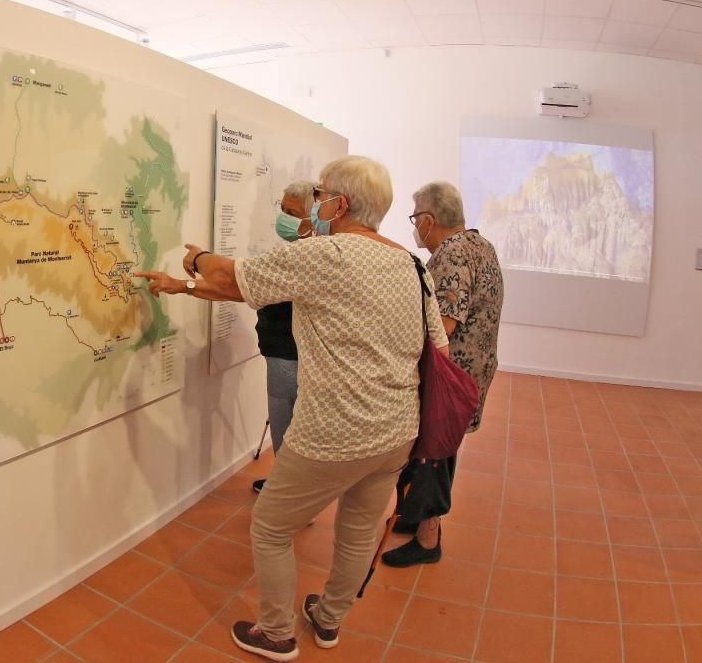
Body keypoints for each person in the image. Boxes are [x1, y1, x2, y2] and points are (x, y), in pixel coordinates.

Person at [136, 156, 448, 662]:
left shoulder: (327, 255)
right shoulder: (413, 266)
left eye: (321, 193)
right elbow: (440, 348)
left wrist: (195, 261)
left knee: (271, 526)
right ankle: (327, 620)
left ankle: (277, 633)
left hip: (335, 430)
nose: (313, 201)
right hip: (397, 431)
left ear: (340, 204)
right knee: (356, 531)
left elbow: (233, 277)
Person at [382, 181, 504, 568]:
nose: (414, 224)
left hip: (448, 378)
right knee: (437, 449)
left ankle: (428, 537)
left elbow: (444, 325)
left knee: (434, 452)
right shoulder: (480, 244)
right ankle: (415, 515)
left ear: (429, 219)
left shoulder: (451, 256)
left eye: (415, 217)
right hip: (472, 373)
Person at [252, 181, 314, 494]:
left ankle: (288, 494)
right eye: (283, 211)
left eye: (292, 213)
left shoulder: (311, 256)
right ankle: (290, 487)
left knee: (286, 423)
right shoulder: (303, 251)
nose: (285, 220)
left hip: (288, 355)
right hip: (282, 352)